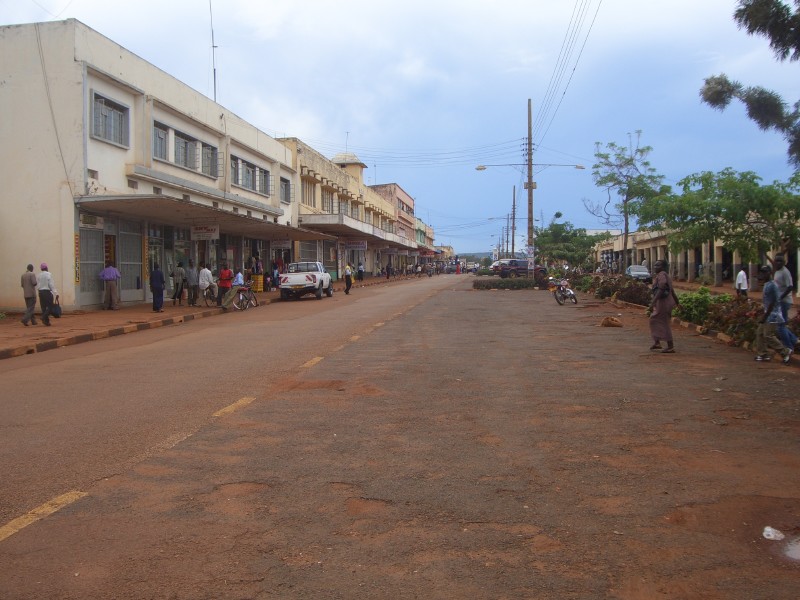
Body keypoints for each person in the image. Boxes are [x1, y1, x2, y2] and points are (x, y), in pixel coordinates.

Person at [754, 265, 792, 364]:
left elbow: (773, 302)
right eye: (761, 272)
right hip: (768, 313)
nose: (763, 274)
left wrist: (765, 316)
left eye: (765, 272)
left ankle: (785, 352)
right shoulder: (766, 284)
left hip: (773, 315)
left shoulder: (772, 285)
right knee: (760, 333)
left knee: (768, 335)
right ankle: (763, 354)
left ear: (770, 273)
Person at [648, 259, 680, 353]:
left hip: (663, 303)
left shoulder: (662, 275)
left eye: (657, 266)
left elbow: (661, 289)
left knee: (663, 323)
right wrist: (678, 303)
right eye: (655, 265)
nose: (655, 267)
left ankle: (670, 346)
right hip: (665, 302)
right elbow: (672, 291)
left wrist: (653, 302)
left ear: (662, 267)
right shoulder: (665, 276)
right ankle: (657, 342)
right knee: (654, 320)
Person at [772, 254, 797, 351]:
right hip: (779, 301)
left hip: (784, 301)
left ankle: (788, 347)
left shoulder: (785, 272)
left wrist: (780, 297)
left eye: (780, 261)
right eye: (777, 261)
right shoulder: (777, 271)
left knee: (780, 326)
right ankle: (794, 340)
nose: (778, 263)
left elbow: (790, 286)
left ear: (784, 262)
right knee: (781, 325)